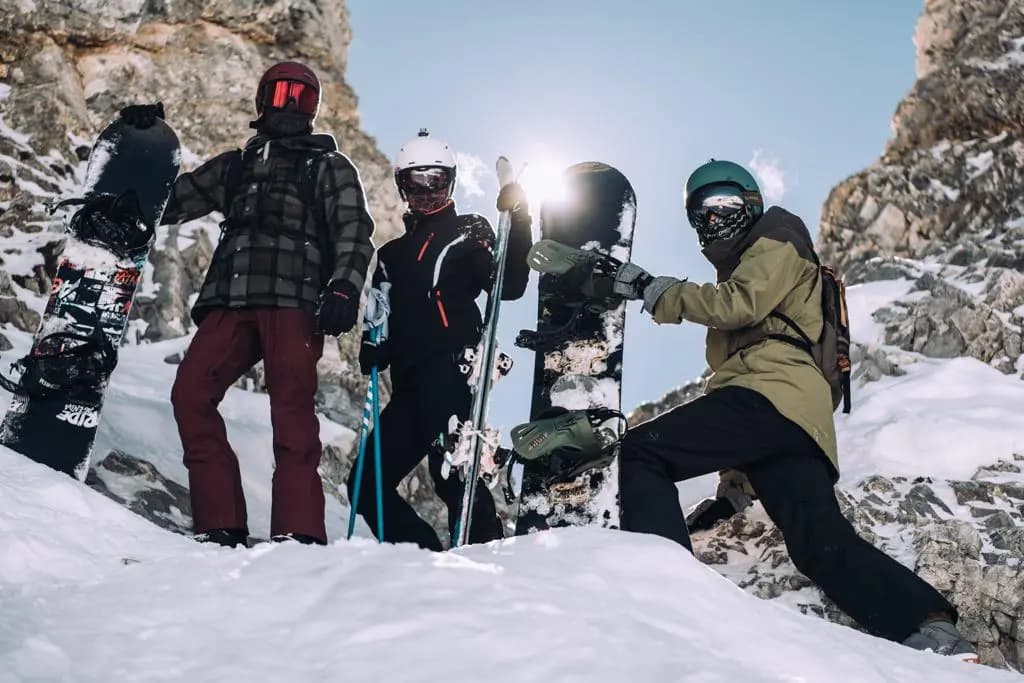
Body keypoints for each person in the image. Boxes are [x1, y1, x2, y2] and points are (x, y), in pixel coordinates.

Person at [522, 159, 978, 662]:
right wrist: (733, 490)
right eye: (702, 215)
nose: (713, 221)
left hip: (770, 398)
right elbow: (751, 401)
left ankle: (670, 596)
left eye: (723, 207)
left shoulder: (779, 234)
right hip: (796, 421)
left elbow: (738, 306)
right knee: (818, 545)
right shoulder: (762, 262)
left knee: (639, 455)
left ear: (751, 205)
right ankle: (929, 629)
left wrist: (652, 289)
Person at [119, 61, 375, 548]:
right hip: (231, 300)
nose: (289, 106)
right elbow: (168, 201)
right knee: (191, 393)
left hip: (293, 301)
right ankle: (221, 523)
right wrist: (140, 148)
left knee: (292, 413)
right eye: (280, 94)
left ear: (315, 110)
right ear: (262, 101)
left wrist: (343, 287)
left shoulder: (327, 166)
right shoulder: (236, 165)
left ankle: (297, 534)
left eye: (301, 98)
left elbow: (353, 231)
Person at [347, 130, 532, 550]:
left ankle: (486, 559)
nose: (427, 191)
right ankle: (425, 563)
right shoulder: (391, 255)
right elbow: (382, 312)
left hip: (452, 369)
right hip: (409, 384)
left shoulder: (468, 230)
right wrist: (373, 344)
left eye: (436, 180)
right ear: (402, 186)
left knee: (453, 473)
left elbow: (510, 283)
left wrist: (519, 217)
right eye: (416, 182)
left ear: (450, 182)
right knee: (365, 483)